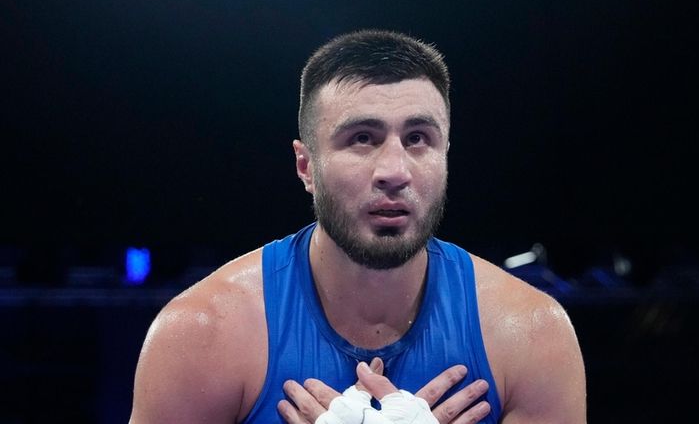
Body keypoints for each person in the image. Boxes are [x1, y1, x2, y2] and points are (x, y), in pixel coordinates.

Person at [129, 29, 586, 424]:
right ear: (306, 166)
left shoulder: (530, 333)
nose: (394, 169)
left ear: (446, 156)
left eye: (418, 139)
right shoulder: (202, 334)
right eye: (362, 138)